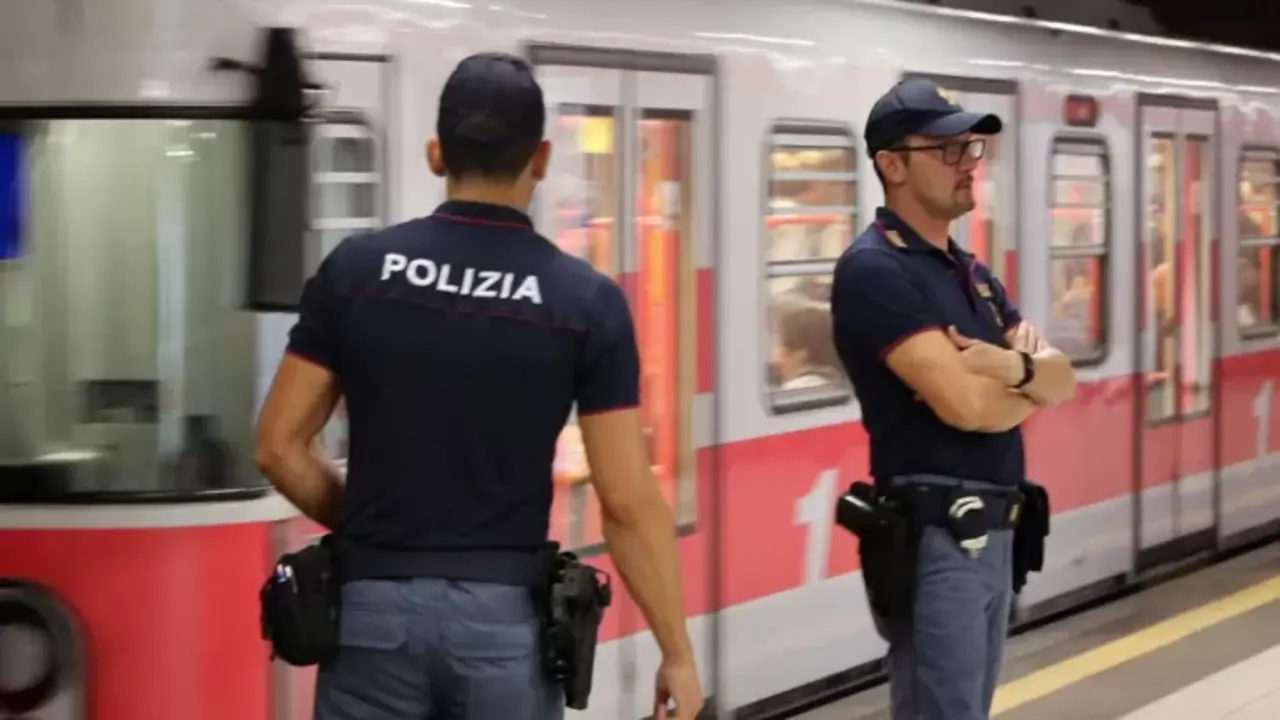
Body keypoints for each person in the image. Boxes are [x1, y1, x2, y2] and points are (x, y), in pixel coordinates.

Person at [253, 52, 704, 720]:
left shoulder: (356, 271)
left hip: (372, 618)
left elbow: (277, 448)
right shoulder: (584, 301)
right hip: (503, 625)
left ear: (437, 154)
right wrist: (677, 652)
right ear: (542, 158)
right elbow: (628, 501)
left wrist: (387, 529)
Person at [830, 78, 1077, 720]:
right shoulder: (875, 271)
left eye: (971, 149)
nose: (969, 166)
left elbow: (1064, 378)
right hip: (940, 538)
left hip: (992, 535)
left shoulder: (969, 273)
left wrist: (1010, 369)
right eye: (947, 151)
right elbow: (967, 406)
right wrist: (1029, 378)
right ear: (892, 165)